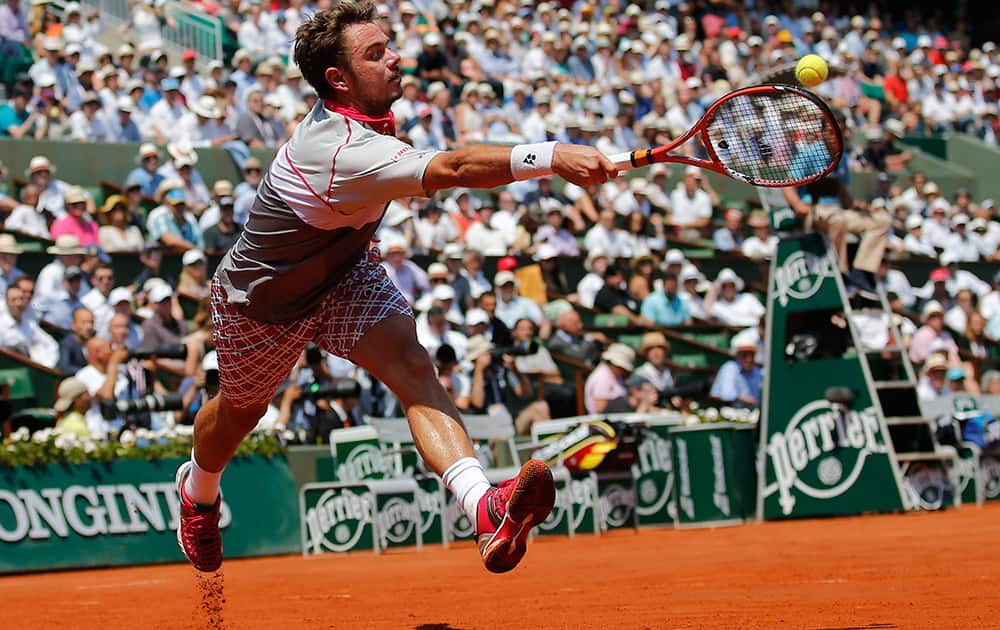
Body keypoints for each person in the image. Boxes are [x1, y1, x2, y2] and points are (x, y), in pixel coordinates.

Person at [175, 2, 616, 577]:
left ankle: (485, 508)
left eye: (390, 46)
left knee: (413, 366)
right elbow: (456, 169)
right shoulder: (338, 149)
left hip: (346, 273)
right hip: (265, 301)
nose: (395, 59)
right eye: (375, 54)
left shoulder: (369, 120)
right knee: (241, 411)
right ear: (339, 79)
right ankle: (197, 490)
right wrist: (551, 155)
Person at [710, 329, 763, 407]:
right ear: (737, 355)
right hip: (728, 411)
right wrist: (748, 400)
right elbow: (727, 395)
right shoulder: (730, 368)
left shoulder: (757, 372)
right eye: (744, 355)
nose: (749, 359)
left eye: (751, 355)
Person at [584, 343, 634, 414]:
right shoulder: (602, 376)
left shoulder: (615, 375)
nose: (624, 371)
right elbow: (600, 408)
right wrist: (630, 402)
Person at [58, 306, 94, 375]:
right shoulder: (67, 343)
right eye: (84, 322)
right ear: (73, 325)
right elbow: (64, 368)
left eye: (91, 322)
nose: (89, 327)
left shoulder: (93, 344)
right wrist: (88, 372)